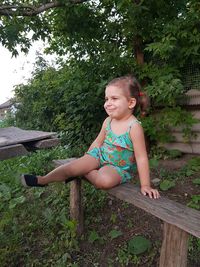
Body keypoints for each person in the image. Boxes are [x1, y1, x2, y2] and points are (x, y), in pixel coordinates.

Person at [21, 75, 160, 199]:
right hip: (99, 155)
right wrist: (87, 157)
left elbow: (141, 158)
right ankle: (43, 180)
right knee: (71, 167)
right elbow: (98, 142)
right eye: (106, 99)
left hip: (117, 167)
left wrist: (145, 185)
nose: (108, 103)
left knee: (104, 182)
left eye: (114, 98)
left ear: (131, 103)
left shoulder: (134, 127)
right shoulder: (108, 121)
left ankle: (82, 172)